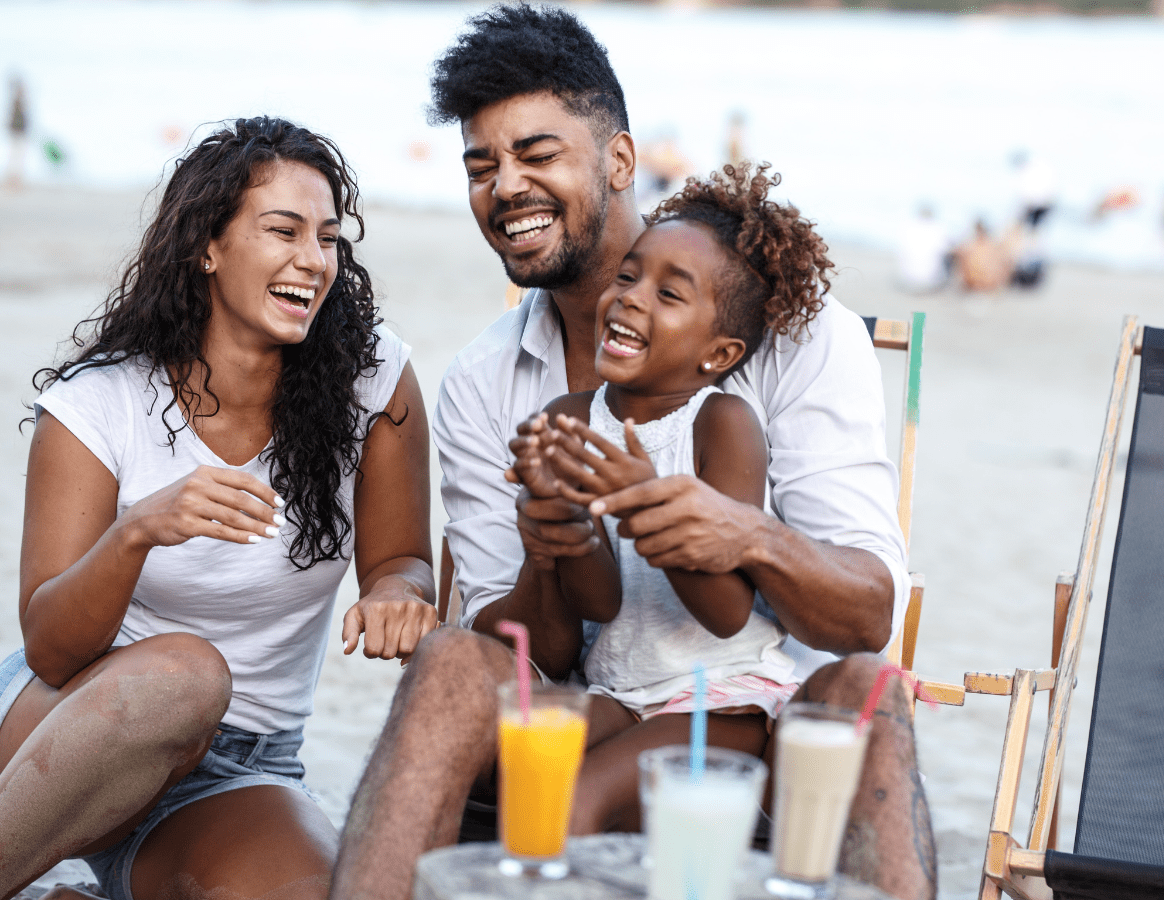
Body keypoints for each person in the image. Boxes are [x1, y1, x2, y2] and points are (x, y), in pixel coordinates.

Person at [331, 6, 934, 900]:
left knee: (863, 700)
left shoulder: (797, 340)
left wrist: (735, 532)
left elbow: (863, 614)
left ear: (619, 161)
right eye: (481, 167)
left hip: (762, 706)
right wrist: (554, 542)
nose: (505, 187)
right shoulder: (487, 382)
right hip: (604, 701)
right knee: (453, 663)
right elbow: (532, 643)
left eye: (537, 155)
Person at [0, 116, 436, 900]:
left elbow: (402, 560)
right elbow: (52, 651)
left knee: (312, 888)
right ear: (208, 246)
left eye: (330, 238)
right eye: (283, 230)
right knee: (186, 673)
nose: (314, 259)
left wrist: (398, 595)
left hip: (239, 765)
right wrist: (137, 532)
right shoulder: (99, 405)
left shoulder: (373, 383)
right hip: (73, 724)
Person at [504, 164, 833, 819]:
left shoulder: (722, 425)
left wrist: (642, 500)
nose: (630, 297)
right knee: (520, 776)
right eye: (629, 276)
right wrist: (560, 515)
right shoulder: (572, 417)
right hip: (618, 687)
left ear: (717, 354)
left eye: (669, 294)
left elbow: (725, 611)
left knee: (572, 805)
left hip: (719, 691)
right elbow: (599, 597)